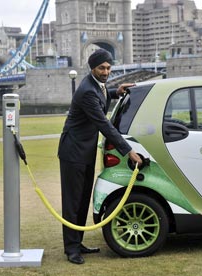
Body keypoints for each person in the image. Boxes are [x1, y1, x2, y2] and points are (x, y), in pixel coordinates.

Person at [57, 48, 143, 265]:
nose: (106, 71)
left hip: (84, 151)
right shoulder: (86, 91)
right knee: (73, 202)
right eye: (101, 68)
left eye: (108, 67)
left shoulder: (96, 86)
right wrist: (128, 150)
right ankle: (71, 249)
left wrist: (116, 92)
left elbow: (102, 93)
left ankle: (78, 241)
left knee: (83, 199)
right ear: (92, 68)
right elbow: (103, 124)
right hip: (73, 153)